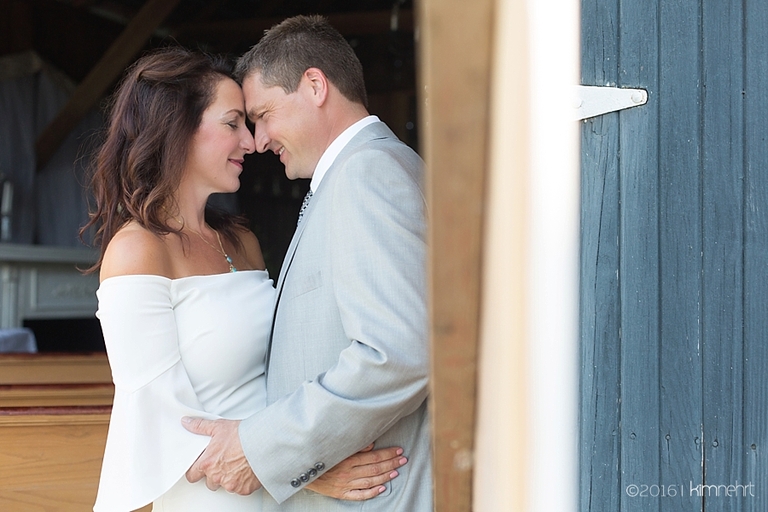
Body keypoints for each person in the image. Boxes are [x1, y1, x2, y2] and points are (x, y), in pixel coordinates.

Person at [81, 46, 406, 512]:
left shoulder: (241, 242)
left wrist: (312, 456)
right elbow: (160, 423)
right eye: (233, 124)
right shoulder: (138, 250)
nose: (252, 143)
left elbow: (280, 371)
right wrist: (310, 470)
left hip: (287, 490)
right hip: (217, 497)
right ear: (178, 129)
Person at [182, 15, 432, 511]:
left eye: (264, 113)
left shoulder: (368, 173)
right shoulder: (359, 172)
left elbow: (397, 352)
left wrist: (264, 451)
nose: (258, 138)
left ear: (315, 86)